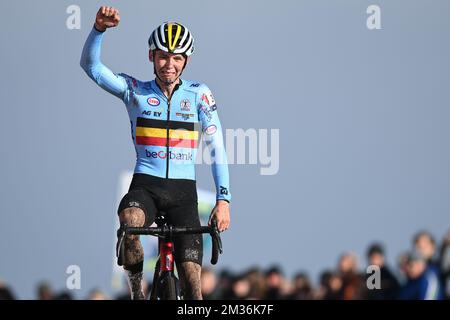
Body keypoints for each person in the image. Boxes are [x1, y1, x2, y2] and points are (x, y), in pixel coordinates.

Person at [80, 6, 231, 300]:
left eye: (176, 58)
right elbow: (92, 68)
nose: (168, 64)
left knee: (192, 286)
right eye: (162, 56)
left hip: (183, 194)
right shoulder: (134, 90)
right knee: (130, 220)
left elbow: (217, 148)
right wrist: (98, 29)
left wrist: (224, 200)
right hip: (146, 186)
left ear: (185, 61)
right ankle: (137, 291)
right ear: (151, 56)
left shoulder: (200, 94)